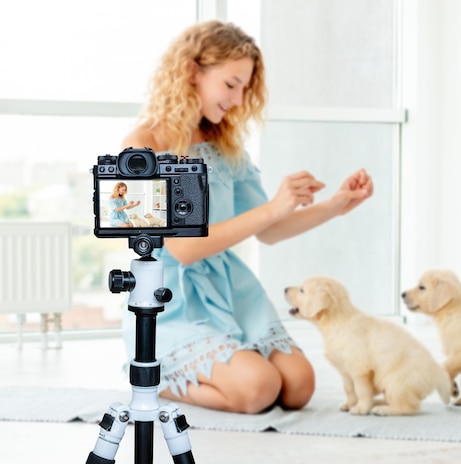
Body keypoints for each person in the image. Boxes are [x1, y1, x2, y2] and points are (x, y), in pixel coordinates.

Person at [120, 20, 374, 414]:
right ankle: (156, 378)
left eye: (244, 88)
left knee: (299, 387)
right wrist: (273, 206)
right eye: (231, 84)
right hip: (174, 298)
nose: (238, 100)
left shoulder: (222, 143)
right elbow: (185, 248)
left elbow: (269, 231)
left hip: (230, 288)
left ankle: (224, 366)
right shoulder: (146, 145)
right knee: (259, 388)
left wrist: (334, 205)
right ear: (192, 72)